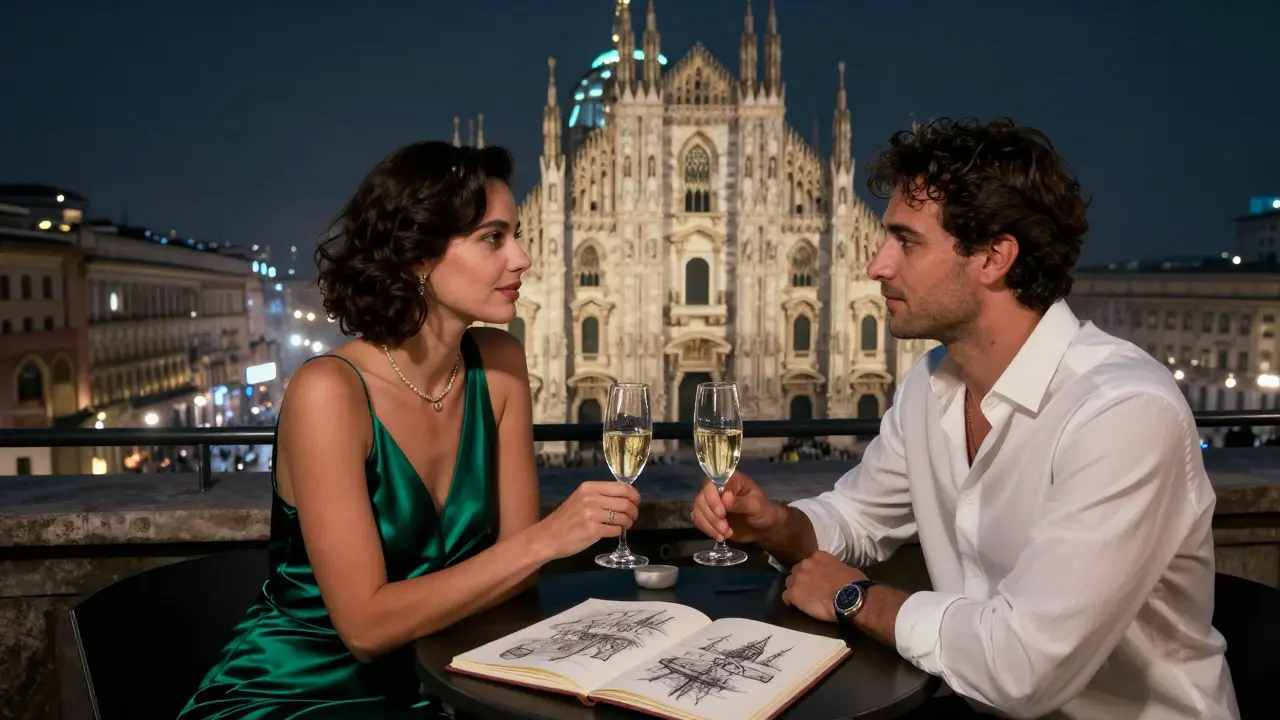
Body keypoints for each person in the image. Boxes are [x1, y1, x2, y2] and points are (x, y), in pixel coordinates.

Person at [691, 118, 1239, 719]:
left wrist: (854, 596)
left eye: (907, 241)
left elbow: (1023, 669)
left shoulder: (1120, 413)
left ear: (994, 257)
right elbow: (856, 517)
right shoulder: (933, 385)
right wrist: (774, 524)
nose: (877, 265)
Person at [180, 141, 640, 718]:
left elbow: (518, 578)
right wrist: (548, 538)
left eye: (516, 234)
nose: (522, 257)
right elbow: (367, 629)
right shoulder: (329, 392)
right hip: (297, 695)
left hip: (440, 685)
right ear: (418, 256)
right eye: (494, 238)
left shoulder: (499, 364)